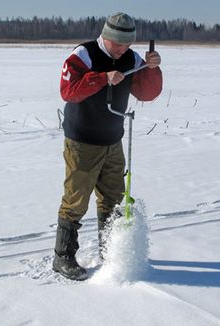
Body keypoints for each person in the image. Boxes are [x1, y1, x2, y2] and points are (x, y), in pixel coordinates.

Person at [53, 12, 163, 281]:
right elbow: (68, 91)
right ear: (106, 37)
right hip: (82, 140)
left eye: (127, 45)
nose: (123, 49)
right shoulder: (84, 55)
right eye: (119, 44)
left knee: (113, 199)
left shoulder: (131, 59)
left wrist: (151, 69)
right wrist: (102, 78)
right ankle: (63, 257)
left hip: (113, 139)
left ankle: (110, 250)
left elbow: (147, 93)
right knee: (76, 200)